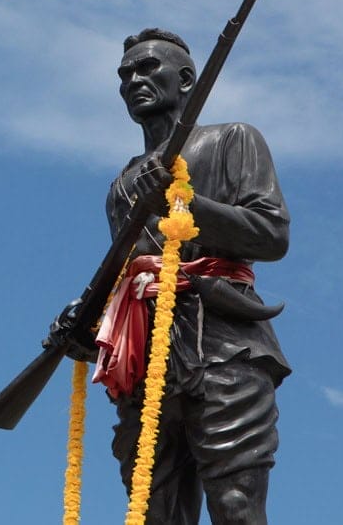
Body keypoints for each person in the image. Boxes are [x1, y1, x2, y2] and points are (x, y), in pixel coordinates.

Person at [52, 28, 291, 525]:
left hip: (223, 346)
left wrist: (188, 205)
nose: (132, 81)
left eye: (147, 68)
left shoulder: (232, 139)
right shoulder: (121, 186)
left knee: (236, 505)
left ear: (185, 79)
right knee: (151, 513)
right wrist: (85, 320)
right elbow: (126, 272)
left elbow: (272, 235)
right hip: (143, 361)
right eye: (124, 75)